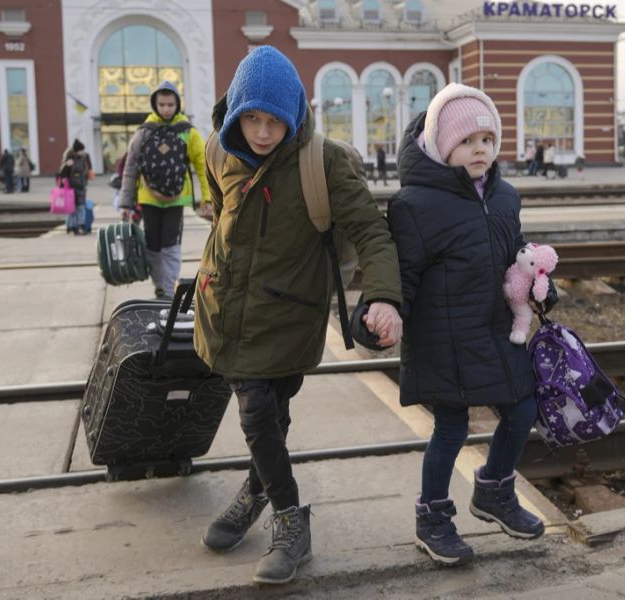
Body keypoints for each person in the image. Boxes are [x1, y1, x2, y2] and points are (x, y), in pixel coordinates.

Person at [195, 45, 403, 585]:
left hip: (289, 318)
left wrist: (382, 297)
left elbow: (372, 234)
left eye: (275, 120)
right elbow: (221, 214)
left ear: (295, 115)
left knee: (273, 414)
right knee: (258, 413)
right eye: (253, 118)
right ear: (236, 112)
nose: (263, 132)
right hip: (226, 310)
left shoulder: (323, 163)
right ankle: (290, 520)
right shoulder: (219, 150)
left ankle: (250, 492)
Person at [387, 83, 557, 566]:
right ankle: (433, 518)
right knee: (451, 428)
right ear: (443, 148)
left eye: (487, 139)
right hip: (444, 338)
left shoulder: (505, 197)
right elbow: (403, 276)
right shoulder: (414, 205)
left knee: (523, 410)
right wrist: (384, 311)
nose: (479, 149)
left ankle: (494, 492)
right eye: (466, 141)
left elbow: (514, 254)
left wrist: (538, 282)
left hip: (497, 329)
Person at [118, 81, 209, 299]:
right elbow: (131, 168)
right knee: (153, 245)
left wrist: (207, 197)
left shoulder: (189, 132)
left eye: (170, 104)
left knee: (171, 244)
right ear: (154, 104)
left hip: (176, 201)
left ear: (177, 104)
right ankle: (160, 285)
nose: (166, 108)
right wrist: (125, 203)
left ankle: (168, 288)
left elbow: (203, 166)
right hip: (149, 199)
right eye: (162, 104)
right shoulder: (144, 132)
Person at [59, 139, 92, 234]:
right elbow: (62, 173)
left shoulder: (83, 158)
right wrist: (66, 165)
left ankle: (81, 226)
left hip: (81, 186)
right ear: (77, 150)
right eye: (81, 150)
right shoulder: (69, 159)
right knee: (72, 208)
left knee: (81, 207)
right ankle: (73, 227)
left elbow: (86, 170)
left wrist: (85, 179)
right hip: (71, 187)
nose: (83, 152)